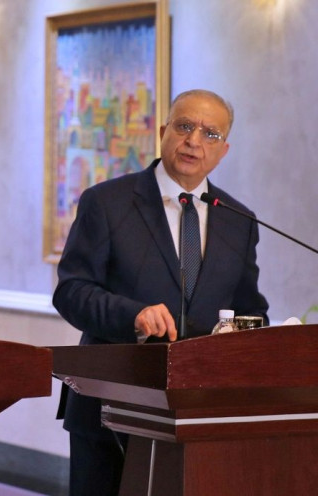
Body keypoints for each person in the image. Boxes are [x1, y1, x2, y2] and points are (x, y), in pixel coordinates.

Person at [52, 89, 269, 495]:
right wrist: (132, 315)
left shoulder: (239, 220)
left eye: (210, 134)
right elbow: (72, 292)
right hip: (109, 409)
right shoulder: (107, 202)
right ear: (164, 130)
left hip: (198, 416)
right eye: (185, 127)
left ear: (223, 150)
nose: (194, 141)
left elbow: (249, 310)